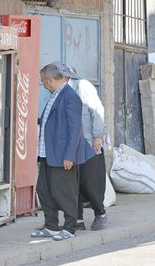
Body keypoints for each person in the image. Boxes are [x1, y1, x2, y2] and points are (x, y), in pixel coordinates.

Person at [31, 64, 96, 241]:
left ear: (51, 79)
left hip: (62, 155)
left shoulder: (70, 97)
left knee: (64, 192)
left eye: (45, 82)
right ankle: (51, 226)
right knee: (43, 190)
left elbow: (75, 129)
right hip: (48, 153)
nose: (45, 85)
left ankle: (69, 227)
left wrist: (69, 155)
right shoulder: (55, 95)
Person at [51, 62, 108, 231]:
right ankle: (77, 220)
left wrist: (98, 136)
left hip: (88, 142)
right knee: (72, 184)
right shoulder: (60, 92)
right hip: (71, 145)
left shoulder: (83, 86)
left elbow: (96, 110)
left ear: (65, 76)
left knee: (90, 182)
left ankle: (100, 214)